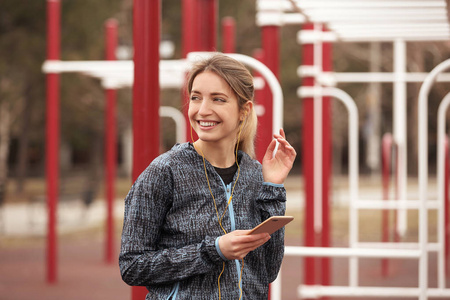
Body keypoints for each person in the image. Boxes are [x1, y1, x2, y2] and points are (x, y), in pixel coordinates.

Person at [119, 53, 296, 299]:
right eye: (196, 98)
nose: (203, 110)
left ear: (244, 110)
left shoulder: (255, 175)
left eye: (218, 99)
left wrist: (272, 187)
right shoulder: (164, 171)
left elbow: (268, 271)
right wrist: (213, 251)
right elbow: (132, 266)